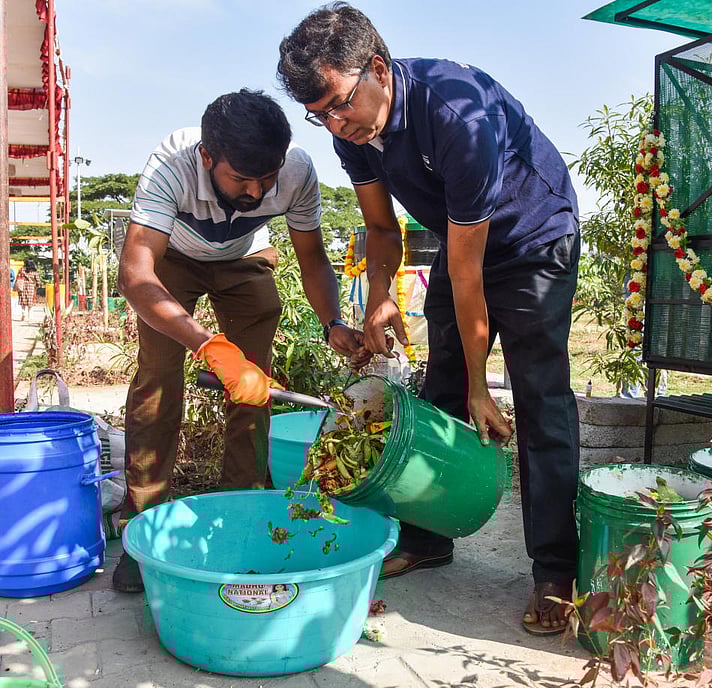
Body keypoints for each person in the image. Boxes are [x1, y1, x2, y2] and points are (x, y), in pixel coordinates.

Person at [277, 4, 581, 636]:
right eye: (319, 115)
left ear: (378, 71)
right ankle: (428, 535)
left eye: (339, 104)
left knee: (538, 393)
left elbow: (469, 275)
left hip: (533, 238)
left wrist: (481, 386)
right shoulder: (351, 131)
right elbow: (382, 229)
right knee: (436, 386)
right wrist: (381, 296)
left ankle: (556, 569)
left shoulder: (456, 114)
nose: (335, 123)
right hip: (461, 237)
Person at [113, 88, 367, 593]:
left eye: (265, 180)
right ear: (207, 156)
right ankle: (142, 522)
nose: (255, 193)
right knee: (158, 382)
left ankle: (244, 508)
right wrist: (208, 346)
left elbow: (313, 258)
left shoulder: (296, 170)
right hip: (172, 265)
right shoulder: (173, 163)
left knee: (253, 386)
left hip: (246, 259)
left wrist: (333, 321)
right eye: (240, 179)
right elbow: (136, 275)